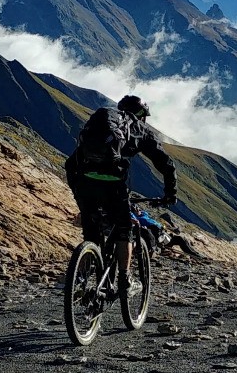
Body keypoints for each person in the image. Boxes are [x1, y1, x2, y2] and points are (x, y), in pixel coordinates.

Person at [65, 95, 177, 282]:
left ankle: (81, 280)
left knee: (91, 234)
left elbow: (70, 164)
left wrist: (77, 191)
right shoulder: (140, 129)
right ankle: (125, 279)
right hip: (113, 186)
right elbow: (166, 163)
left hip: (84, 184)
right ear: (141, 114)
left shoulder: (100, 124)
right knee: (125, 230)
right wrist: (170, 193)